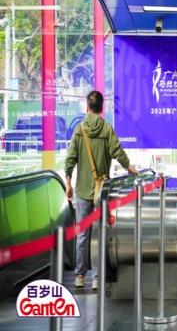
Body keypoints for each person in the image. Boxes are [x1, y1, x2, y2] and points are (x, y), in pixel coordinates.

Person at [64, 90, 138, 290]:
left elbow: (70, 159)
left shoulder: (79, 129)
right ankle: (97, 277)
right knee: (99, 234)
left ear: (87, 107)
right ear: (102, 108)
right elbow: (117, 151)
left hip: (82, 191)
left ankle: (80, 276)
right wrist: (129, 167)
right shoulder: (107, 129)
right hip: (102, 191)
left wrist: (68, 183)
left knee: (82, 234)